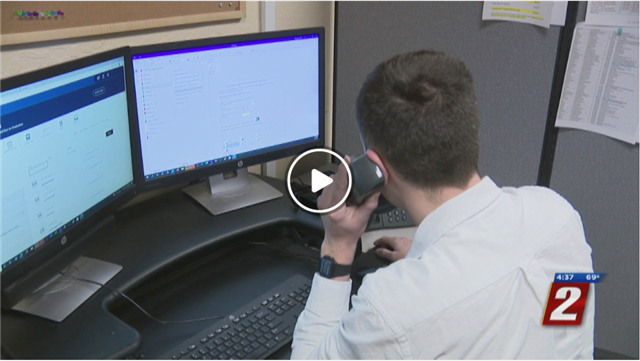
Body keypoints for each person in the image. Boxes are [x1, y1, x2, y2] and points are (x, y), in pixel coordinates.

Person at [291, 50, 595, 359]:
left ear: (376, 169)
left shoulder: (392, 310)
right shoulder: (557, 216)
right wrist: (426, 259)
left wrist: (338, 246)